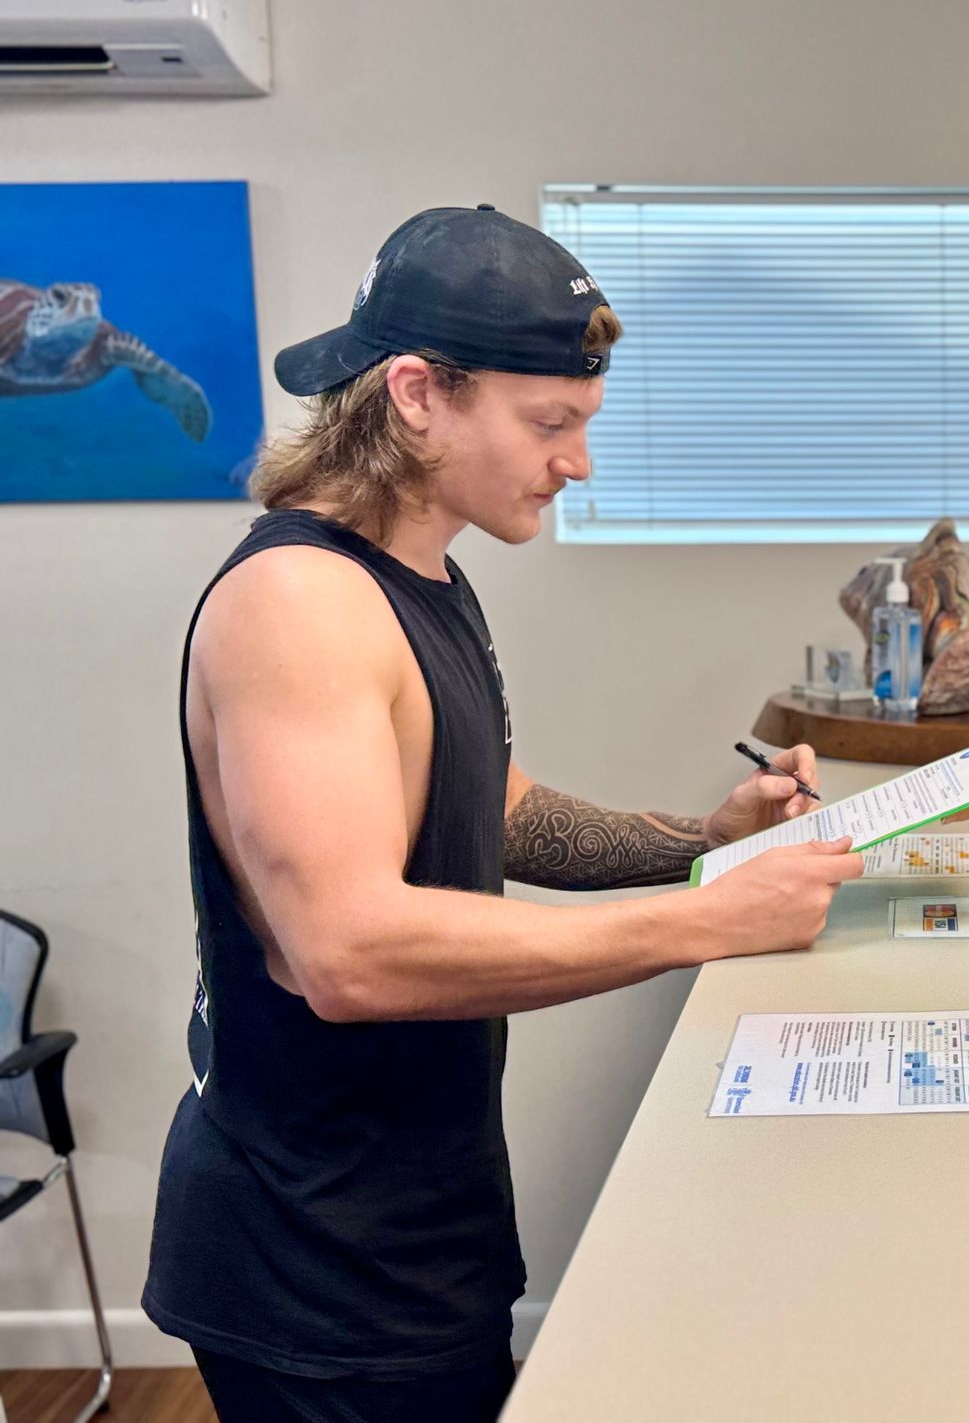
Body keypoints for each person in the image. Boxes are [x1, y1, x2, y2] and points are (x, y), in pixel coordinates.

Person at [141, 204, 864, 1422]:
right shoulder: (299, 604)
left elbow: (494, 807)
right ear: (419, 394)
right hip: (311, 1258)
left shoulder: (424, 572)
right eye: (551, 423)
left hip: (421, 1217)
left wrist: (706, 845)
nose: (576, 461)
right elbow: (350, 952)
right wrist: (715, 922)